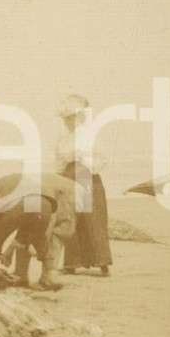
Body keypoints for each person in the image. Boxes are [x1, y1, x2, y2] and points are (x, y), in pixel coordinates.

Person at [0, 172, 84, 292]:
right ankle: (48, 275)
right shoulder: (12, 179)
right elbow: (22, 231)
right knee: (35, 241)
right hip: (45, 205)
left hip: (21, 202)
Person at [55, 94, 113, 276]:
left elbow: (103, 160)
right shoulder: (63, 140)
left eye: (70, 118)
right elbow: (58, 164)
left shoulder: (91, 136)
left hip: (89, 176)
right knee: (71, 218)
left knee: (93, 219)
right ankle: (71, 263)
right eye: (65, 119)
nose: (67, 122)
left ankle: (102, 262)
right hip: (68, 177)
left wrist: (84, 160)